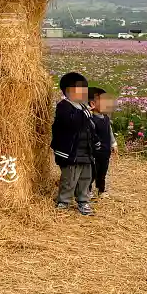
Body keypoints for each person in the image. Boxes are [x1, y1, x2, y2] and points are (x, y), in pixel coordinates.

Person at [51, 72, 102, 215]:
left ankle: (83, 201)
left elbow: (90, 126)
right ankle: (64, 201)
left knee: (86, 178)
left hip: (85, 150)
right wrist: (84, 114)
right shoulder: (64, 106)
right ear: (69, 91)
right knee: (70, 178)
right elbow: (70, 123)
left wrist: (96, 140)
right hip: (70, 151)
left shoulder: (83, 107)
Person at [88, 87, 118, 199]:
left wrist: (113, 143)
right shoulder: (90, 119)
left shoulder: (106, 118)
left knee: (103, 172)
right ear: (93, 104)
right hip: (94, 152)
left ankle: (101, 189)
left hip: (105, 151)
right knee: (92, 172)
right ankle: (88, 190)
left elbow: (109, 131)